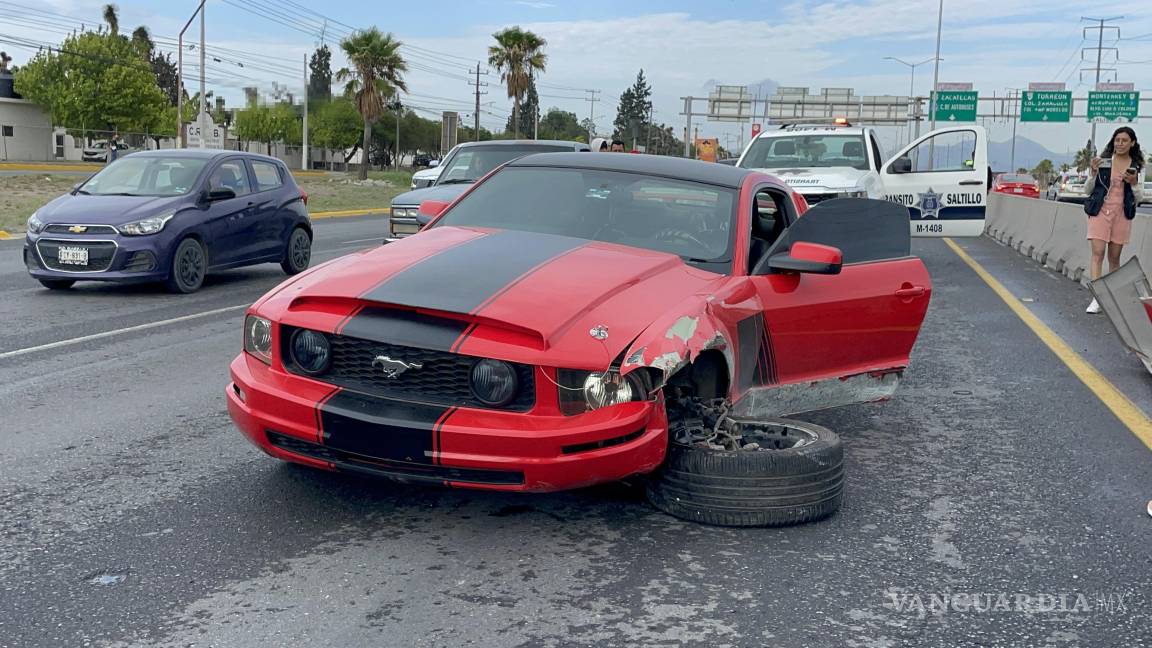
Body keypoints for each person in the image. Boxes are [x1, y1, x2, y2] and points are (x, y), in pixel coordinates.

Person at [1084, 126, 1145, 314]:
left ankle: (1113, 298)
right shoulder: (1103, 162)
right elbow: (1088, 190)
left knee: (1114, 257)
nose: (1120, 144)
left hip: (1122, 213)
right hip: (1101, 211)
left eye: (1124, 140)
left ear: (1132, 143)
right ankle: (1097, 298)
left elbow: (1139, 197)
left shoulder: (1135, 166)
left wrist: (1133, 183)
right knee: (1098, 253)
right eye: (1117, 140)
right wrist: (1093, 174)